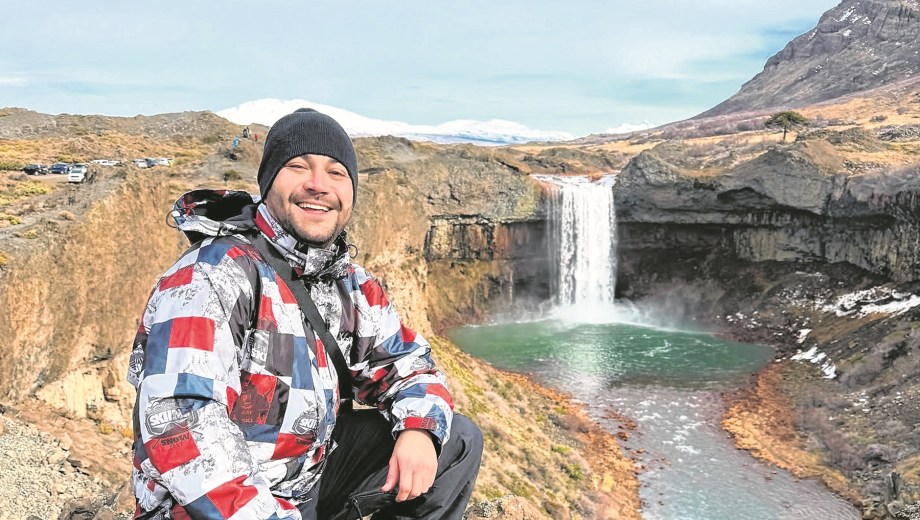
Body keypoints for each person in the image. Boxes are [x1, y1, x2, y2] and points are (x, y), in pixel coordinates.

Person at [128, 108, 482, 520]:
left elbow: (409, 365)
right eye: (298, 167)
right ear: (268, 182)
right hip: (212, 508)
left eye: (336, 172)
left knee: (454, 438)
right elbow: (180, 423)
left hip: (304, 486)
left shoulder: (347, 283)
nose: (318, 185)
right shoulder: (211, 276)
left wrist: (419, 428)